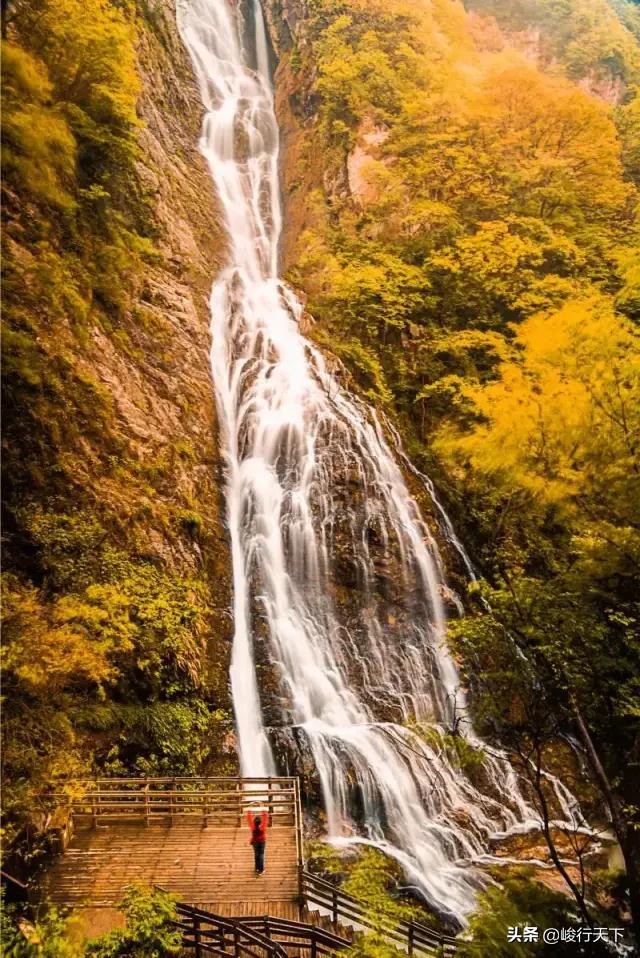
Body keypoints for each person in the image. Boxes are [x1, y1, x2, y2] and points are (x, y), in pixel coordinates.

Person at [247, 810, 267, 874]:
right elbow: (265, 818)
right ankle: (261, 870)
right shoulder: (263, 827)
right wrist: (263, 810)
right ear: (260, 822)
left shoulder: (253, 827)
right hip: (262, 842)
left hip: (255, 842)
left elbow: (249, 819)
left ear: (254, 822)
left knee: (256, 854)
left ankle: (256, 869)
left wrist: (249, 811)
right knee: (261, 855)